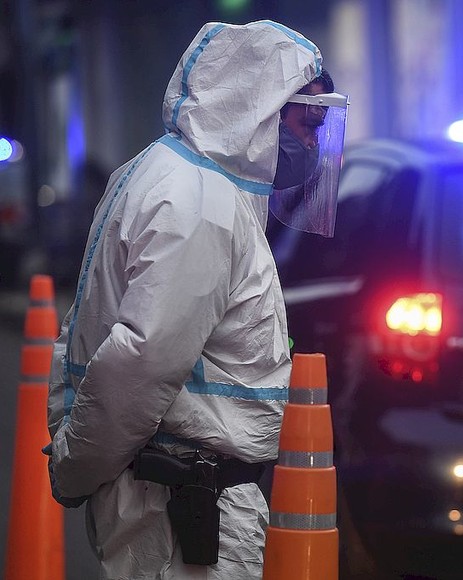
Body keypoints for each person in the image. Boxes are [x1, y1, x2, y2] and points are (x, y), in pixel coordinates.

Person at [45, 20, 346, 579]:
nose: (312, 142)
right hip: (182, 509)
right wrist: (76, 466)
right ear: (262, 108)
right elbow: (142, 359)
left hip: (177, 496)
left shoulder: (181, 176)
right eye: (308, 120)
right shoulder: (200, 203)